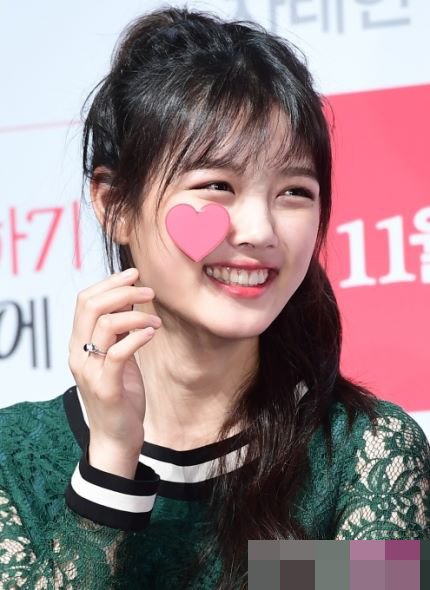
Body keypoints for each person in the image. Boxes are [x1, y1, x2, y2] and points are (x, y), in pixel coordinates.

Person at [0, 6, 429, 590]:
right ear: (114, 204)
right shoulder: (15, 462)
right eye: (217, 186)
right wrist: (110, 466)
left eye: (294, 192)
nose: (259, 231)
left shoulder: (368, 456)